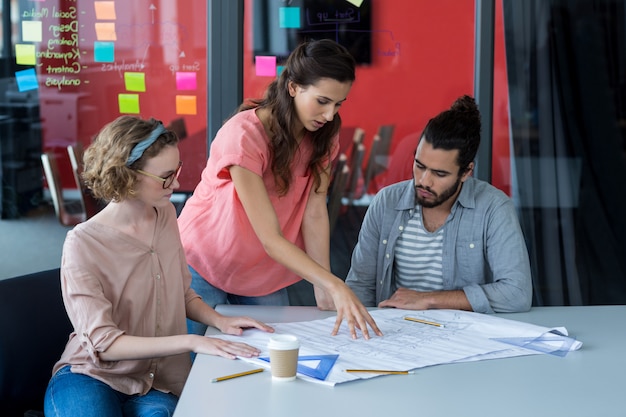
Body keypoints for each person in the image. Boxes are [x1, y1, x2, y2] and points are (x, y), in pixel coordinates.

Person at [44, 116, 274, 417]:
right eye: (166, 176)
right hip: (91, 376)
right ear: (126, 175)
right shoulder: (82, 244)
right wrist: (193, 340)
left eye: (176, 171)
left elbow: (183, 294)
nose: (176, 184)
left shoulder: (164, 213)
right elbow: (105, 344)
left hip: (155, 383)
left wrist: (219, 321)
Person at [177, 39, 381, 340]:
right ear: (293, 87)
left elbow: (314, 211)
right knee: (196, 369)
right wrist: (334, 284)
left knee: (274, 361)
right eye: (322, 101)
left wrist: (321, 285)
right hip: (204, 263)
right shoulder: (244, 136)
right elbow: (271, 238)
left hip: (261, 274)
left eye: (338, 104)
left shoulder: (323, 136)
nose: (329, 115)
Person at [345, 95, 533, 313]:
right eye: (419, 165)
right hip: (394, 334)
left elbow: (516, 294)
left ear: (466, 172)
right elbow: (360, 285)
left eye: (440, 173)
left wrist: (429, 299)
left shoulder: (494, 208)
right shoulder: (386, 203)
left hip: (464, 339)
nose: (424, 181)